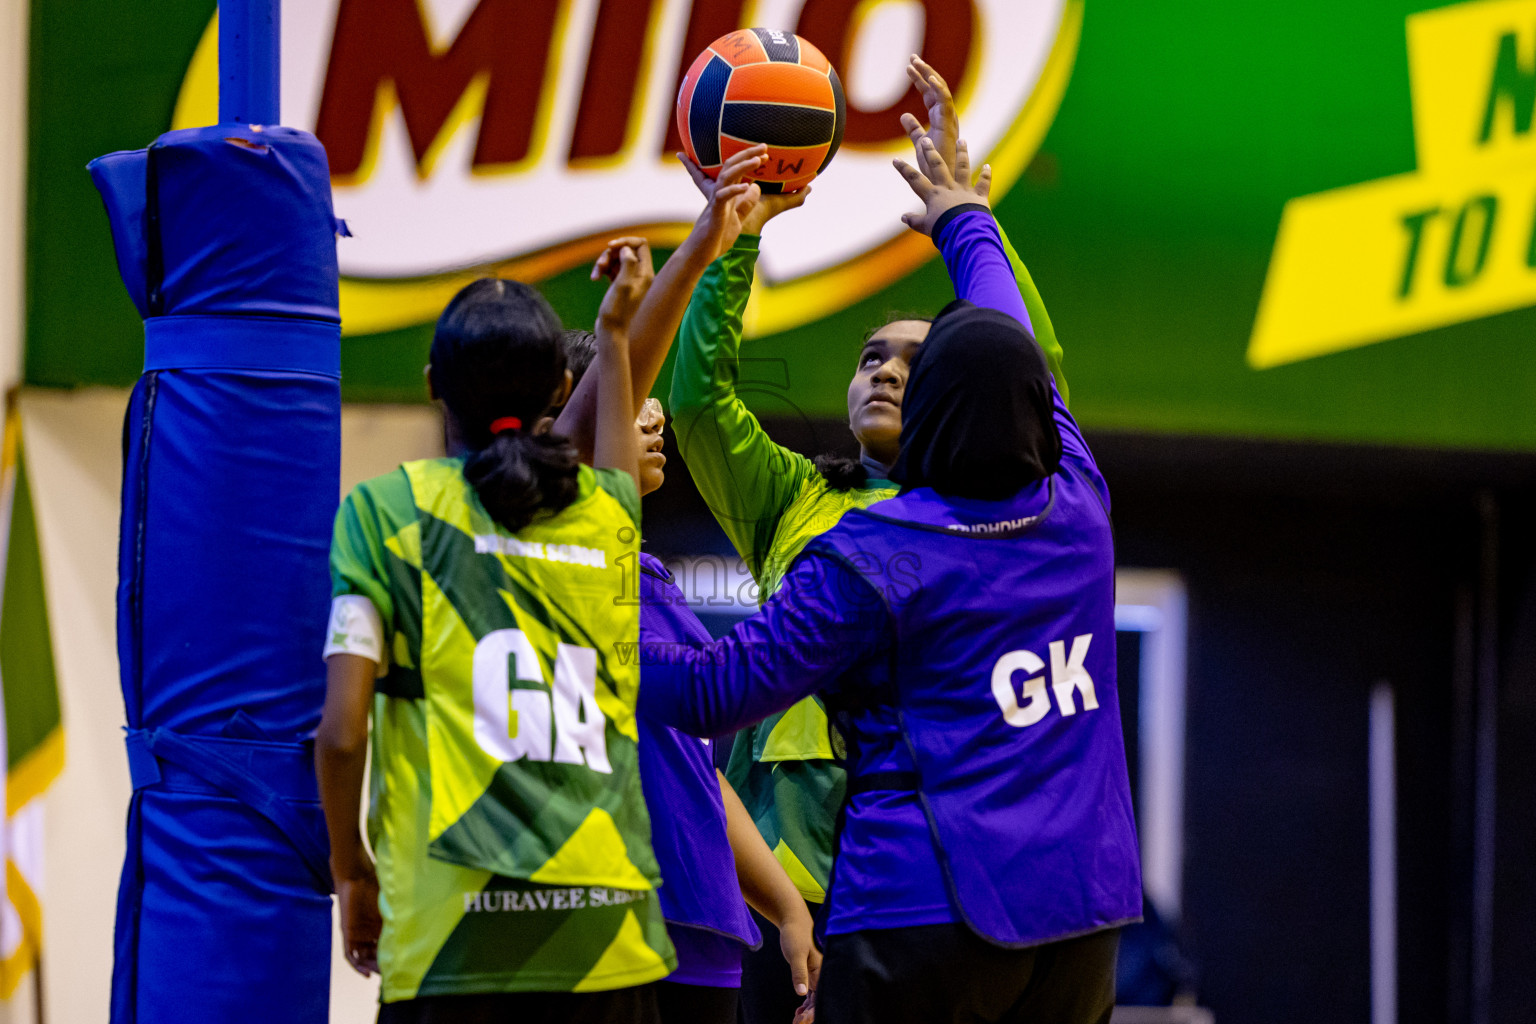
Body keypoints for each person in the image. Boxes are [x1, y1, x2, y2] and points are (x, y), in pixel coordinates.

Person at [638, 130, 1142, 1024]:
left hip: (909, 891)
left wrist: (573, 601)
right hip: (1026, 896)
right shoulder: (1077, 502)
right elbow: (1020, 365)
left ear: (941, 406)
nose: (888, 373)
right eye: (873, 356)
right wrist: (965, 224)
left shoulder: (879, 550)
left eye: (915, 365)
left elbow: (711, 691)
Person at [316, 249, 676, 1023]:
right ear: (558, 389)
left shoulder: (385, 512)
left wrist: (351, 872)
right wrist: (622, 319)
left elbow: (342, 734)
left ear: (434, 387)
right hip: (605, 938)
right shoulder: (610, 513)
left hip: (451, 937)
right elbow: (615, 407)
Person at [548, 156, 822, 1023]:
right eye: (633, 402)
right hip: (604, 917)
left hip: (706, 930)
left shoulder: (654, 582)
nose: (655, 417)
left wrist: (781, 901)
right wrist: (706, 248)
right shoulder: (548, 561)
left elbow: (697, 768)